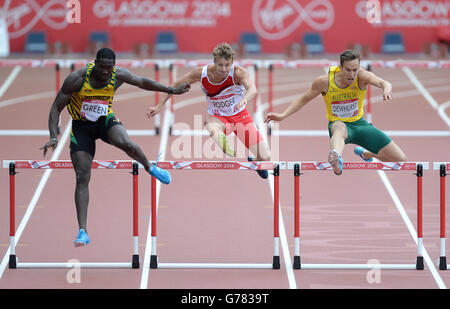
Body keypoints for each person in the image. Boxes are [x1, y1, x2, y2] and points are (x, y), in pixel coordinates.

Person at [40, 48, 190, 247]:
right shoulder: (77, 78)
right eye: (102, 68)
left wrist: (170, 90)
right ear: (95, 63)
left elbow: (142, 82)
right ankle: (83, 231)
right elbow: (55, 108)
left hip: (105, 121)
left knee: (126, 142)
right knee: (82, 176)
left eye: (109, 68)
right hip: (81, 128)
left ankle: (150, 167)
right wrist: (53, 135)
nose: (105, 72)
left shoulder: (118, 74)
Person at [265, 49, 407, 175]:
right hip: (338, 125)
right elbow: (303, 99)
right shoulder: (325, 82)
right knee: (339, 127)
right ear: (340, 68)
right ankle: (336, 157)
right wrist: (283, 115)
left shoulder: (362, 76)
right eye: (348, 70)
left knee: (401, 160)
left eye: (355, 70)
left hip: (360, 125)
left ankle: (367, 154)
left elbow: (383, 82)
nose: (352, 74)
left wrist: (386, 88)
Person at [147, 42, 271, 179]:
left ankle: (255, 159)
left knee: (266, 158)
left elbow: (253, 89)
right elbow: (173, 86)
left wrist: (245, 98)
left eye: (227, 65)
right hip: (219, 118)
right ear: (214, 62)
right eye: (220, 65)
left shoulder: (239, 73)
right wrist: (159, 105)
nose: (224, 69)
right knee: (210, 124)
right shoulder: (202, 74)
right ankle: (223, 142)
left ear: (232, 63)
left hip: (241, 117)